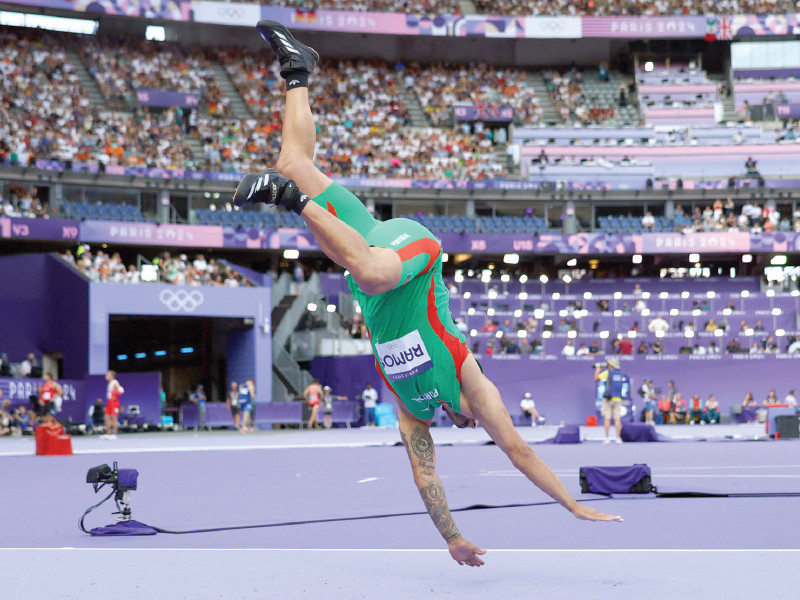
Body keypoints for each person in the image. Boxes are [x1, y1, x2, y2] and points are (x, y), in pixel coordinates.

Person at [234, 20, 622, 566]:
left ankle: (297, 68)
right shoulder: (471, 378)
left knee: (295, 163)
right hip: (410, 256)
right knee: (367, 272)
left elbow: (424, 473)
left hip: (368, 247)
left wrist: (452, 538)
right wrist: (571, 505)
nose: (469, 421)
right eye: (471, 421)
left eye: (462, 422)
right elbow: (516, 448)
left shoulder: (414, 407)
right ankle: (289, 198)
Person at [594, 358, 629, 444]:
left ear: (611, 365)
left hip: (608, 399)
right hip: (618, 399)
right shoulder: (621, 374)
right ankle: (618, 438)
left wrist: (598, 370)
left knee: (607, 418)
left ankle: (607, 438)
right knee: (617, 419)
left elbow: (596, 378)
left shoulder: (607, 373)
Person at [103, 370, 124, 439]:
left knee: (114, 418)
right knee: (106, 417)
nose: (106, 376)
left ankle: (115, 434)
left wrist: (115, 395)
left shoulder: (115, 382)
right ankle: (108, 434)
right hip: (109, 402)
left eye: (107, 375)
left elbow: (121, 390)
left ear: (111, 376)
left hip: (114, 402)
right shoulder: (110, 383)